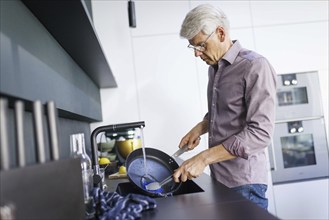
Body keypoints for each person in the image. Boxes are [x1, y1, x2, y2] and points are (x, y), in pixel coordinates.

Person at [172, 4, 277, 210]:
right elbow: (225, 111)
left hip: (245, 183)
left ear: (220, 33)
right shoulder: (214, 68)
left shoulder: (255, 66)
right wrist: (201, 127)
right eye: (193, 47)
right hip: (220, 179)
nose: (197, 54)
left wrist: (203, 158)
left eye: (201, 45)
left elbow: (260, 133)